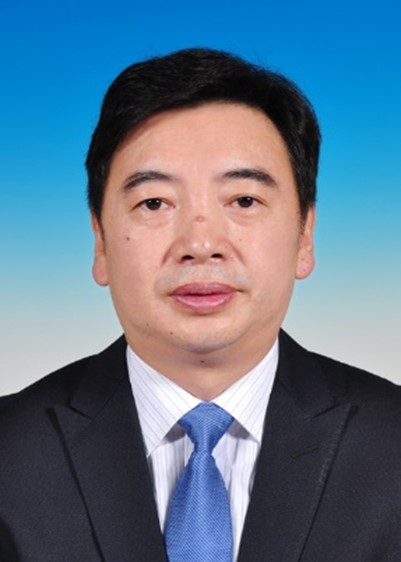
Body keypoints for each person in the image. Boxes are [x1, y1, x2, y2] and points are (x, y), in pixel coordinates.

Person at [1, 48, 400, 562]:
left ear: (305, 235)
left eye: (244, 200)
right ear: (100, 242)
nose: (201, 244)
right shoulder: (10, 452)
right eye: (154, 203)